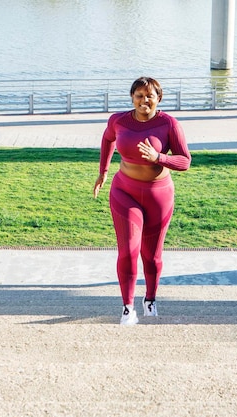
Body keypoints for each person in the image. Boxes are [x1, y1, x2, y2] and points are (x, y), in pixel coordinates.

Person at [93, 76, 191, 325]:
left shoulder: (169, 124)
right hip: (124, 192)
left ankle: (150, 300)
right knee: (128, 250)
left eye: (149, 96)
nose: (144, 100)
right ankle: (127, 308)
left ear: (159, 98)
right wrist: (103, 172)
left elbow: (185, 161)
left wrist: (159, 157)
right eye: (139, 95)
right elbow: (107, 139)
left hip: (158, 195)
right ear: (132, 97)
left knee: (152, 256)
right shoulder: (119, 120)